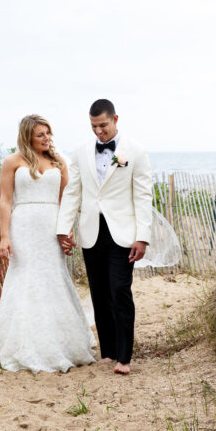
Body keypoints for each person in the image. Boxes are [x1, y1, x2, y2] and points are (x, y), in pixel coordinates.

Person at [0, 114, 96, 373]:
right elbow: (5, 200)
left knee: (53, 277)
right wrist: (4, 236)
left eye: (48, 133)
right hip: (24, 226)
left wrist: (66, 231)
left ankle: (61, 341)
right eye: (40, 134)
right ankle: (22, 344)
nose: (47, 138)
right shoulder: (12, 162)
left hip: (51, 226)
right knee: (25, 278)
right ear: (28, 136)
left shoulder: (59, 162)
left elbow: (66, 201)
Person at [56, 99, 152, 375]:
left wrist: (142, 237)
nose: (99, 132)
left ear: (115, 119)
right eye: (93, 127)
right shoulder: (81, 152)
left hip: (123, 235)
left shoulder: (136, 151)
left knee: (119, 290)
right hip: (91, 233)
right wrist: (64, 228)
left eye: (103, 125)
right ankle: (108, 351)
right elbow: (73, 191)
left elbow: (144, 196)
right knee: (99, 292)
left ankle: (124, 357)